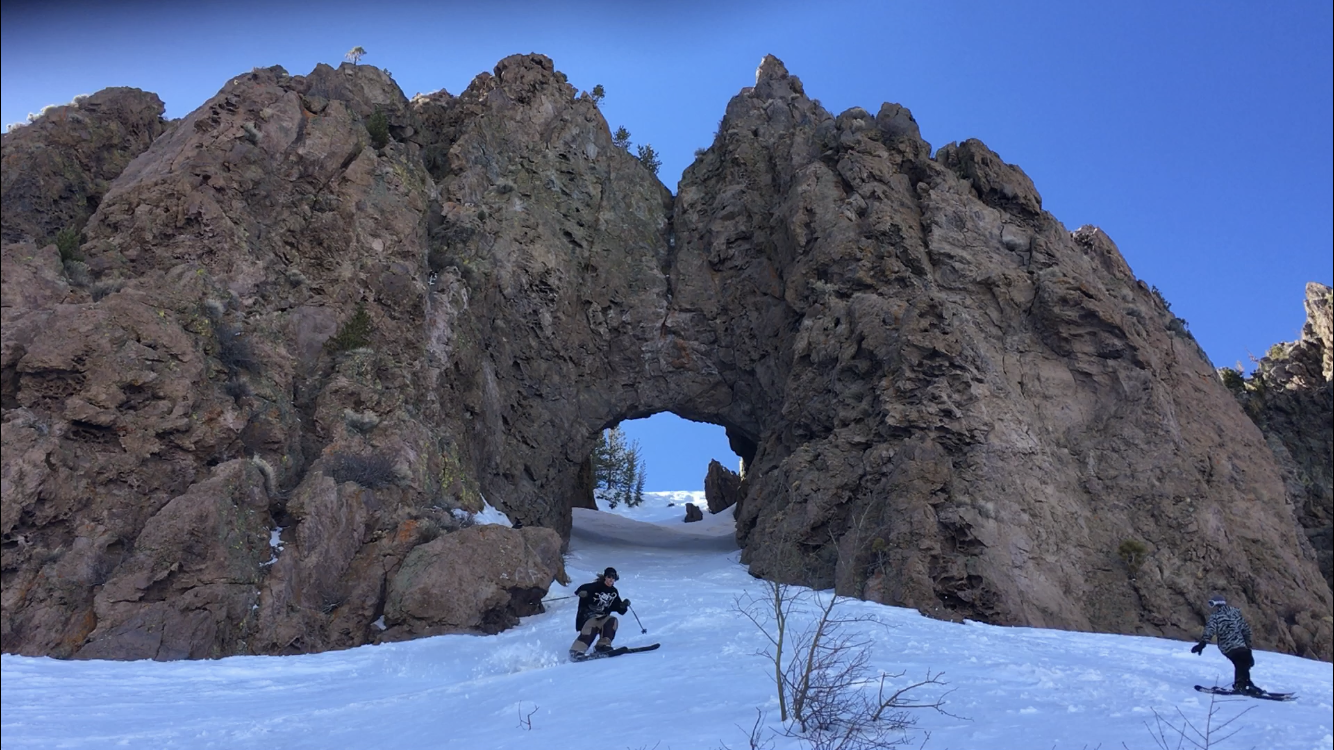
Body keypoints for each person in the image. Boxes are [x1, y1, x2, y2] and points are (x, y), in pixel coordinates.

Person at [1191, 595, 1261, 694]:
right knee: (1243, 662)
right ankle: (1243, 684)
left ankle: (1244, 684)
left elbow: (1209, 631)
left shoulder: (1215, 616)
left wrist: (1203, 643)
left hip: (1227, 647)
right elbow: (1246, 630)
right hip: (1241, 645)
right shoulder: (1236, 613)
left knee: (1240, 663)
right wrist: (1248, 647)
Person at [569, 567, 630, 660]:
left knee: (612, 620)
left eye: (613, 577)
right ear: (605, 577)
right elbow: (581, 589)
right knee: (591, 628)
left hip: (602, 617)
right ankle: (576, 651)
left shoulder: (613, 592)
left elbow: (620, 609)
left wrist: (624, 605)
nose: (611, 579)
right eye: (609, 576)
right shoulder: (595, 586)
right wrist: (583, 593)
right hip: (588, 616)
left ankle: (602, 646)